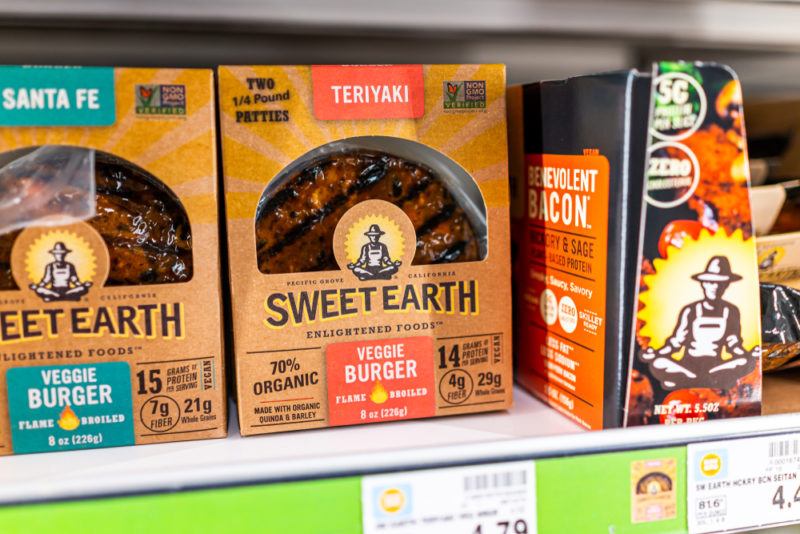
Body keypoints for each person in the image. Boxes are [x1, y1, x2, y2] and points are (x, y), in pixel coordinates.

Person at [641, 256, 756, 390]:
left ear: (726, 285)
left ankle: (688, 381)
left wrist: (749, 355)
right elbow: (676, 342)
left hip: (716, 367)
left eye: (721, 283)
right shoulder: (690, 310)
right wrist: (656, 354)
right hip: (688, 366)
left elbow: (733, 344)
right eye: (711, 282)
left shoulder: (731, 311)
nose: (715, 287)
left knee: (744, 362)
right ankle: (704, 380)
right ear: (703, 283)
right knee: (658, 363)